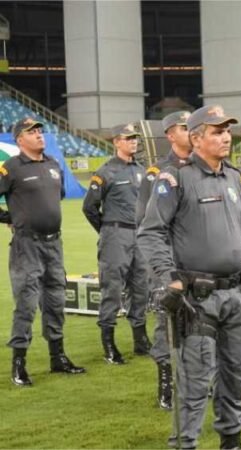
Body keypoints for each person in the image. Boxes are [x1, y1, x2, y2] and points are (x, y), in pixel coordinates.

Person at [138, 105, 241, 449]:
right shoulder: (175, 178)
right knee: (194, 381)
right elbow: (150, 232)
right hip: (197, 298)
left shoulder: (234, 177)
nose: (225, 137)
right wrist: (169, 277)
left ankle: (231, 440)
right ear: (195, 138)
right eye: (216, 131)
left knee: (237, 373)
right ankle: (185, 443)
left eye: (226, 131)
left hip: (236, 294)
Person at [2, 117, 86, 386]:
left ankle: (57, 357)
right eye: (32, 132)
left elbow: (55, 197)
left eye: (40, 130)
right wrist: (8, 218)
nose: (39, 135)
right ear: (19, 139)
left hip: (54, 244)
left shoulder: (52, 164)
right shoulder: (11, 168)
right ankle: (19, 364)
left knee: (55, 301)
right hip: (27, 245)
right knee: (26, 304)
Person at [136, 110, 192, 410]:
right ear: (170, 134)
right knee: (166, 324)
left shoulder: (201, 168)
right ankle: (165, 387)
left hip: (198, 261)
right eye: (184, 128)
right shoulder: (156, 172)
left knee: (199, 322)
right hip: (169, 262)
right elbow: (145, 222)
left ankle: (193, 383)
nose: (190, 132)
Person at [83, 122, 150, 364]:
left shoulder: (142, 169)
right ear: (116, 142)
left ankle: (140, 340)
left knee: (141, 287)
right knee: (112, 289)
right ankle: (109, 344)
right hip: (115, 235)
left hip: (139, 235)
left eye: (135, 138)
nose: (133, 141)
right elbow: (89, 207)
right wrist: (107, 231)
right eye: (128, 138)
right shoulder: (105, 172)